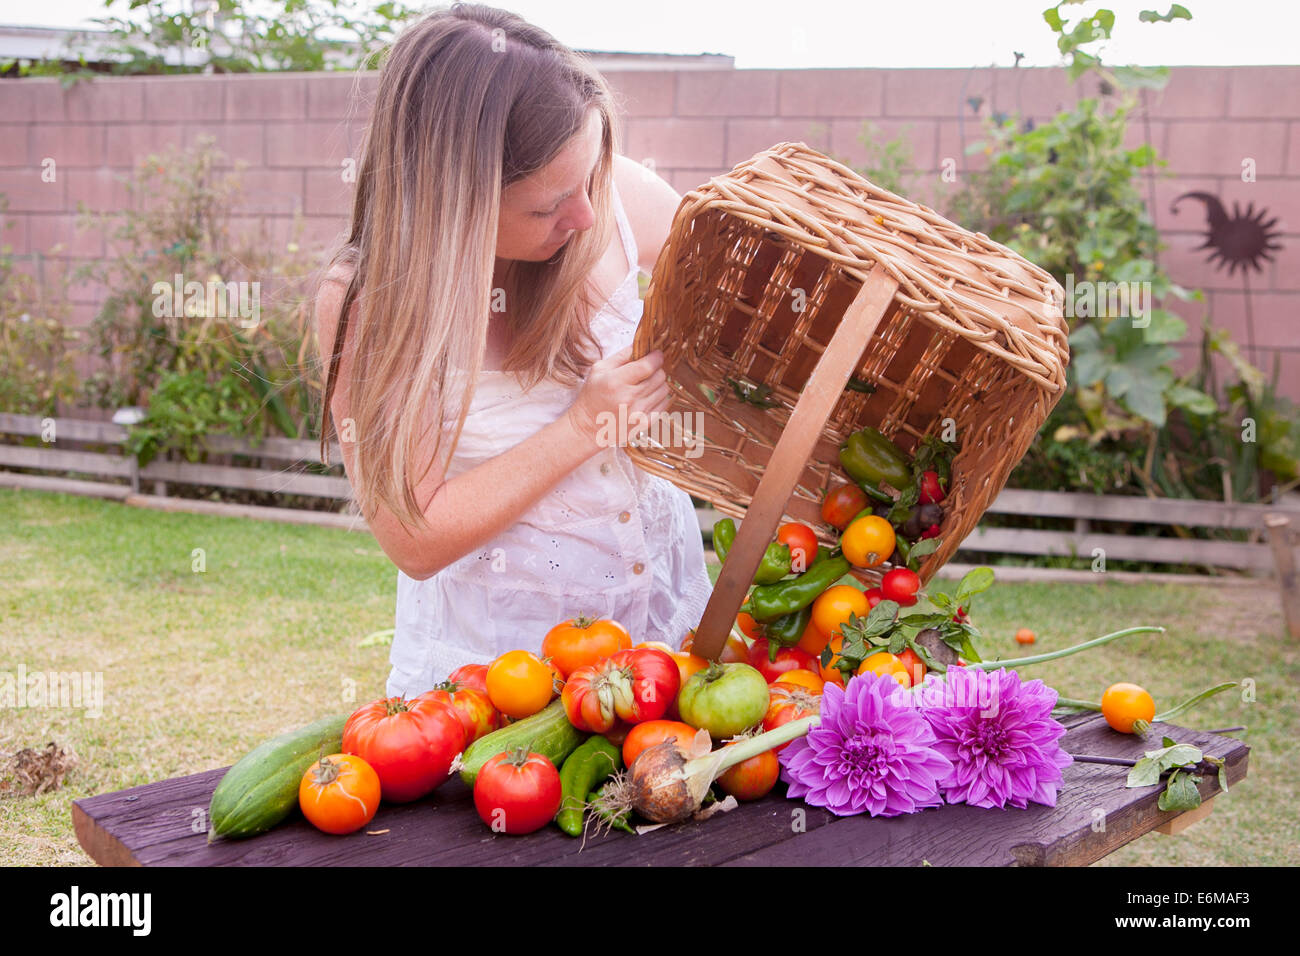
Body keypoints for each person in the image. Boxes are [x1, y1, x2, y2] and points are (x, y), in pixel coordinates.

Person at [312, 3, 712, 698]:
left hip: (672, 649)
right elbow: (416, 538)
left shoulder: (614, 203)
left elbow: (748, 299)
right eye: (547, 205)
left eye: (591, 177)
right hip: (503, 688)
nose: (588, 215)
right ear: (456, 201)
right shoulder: (372, 303)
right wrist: (583, 428)